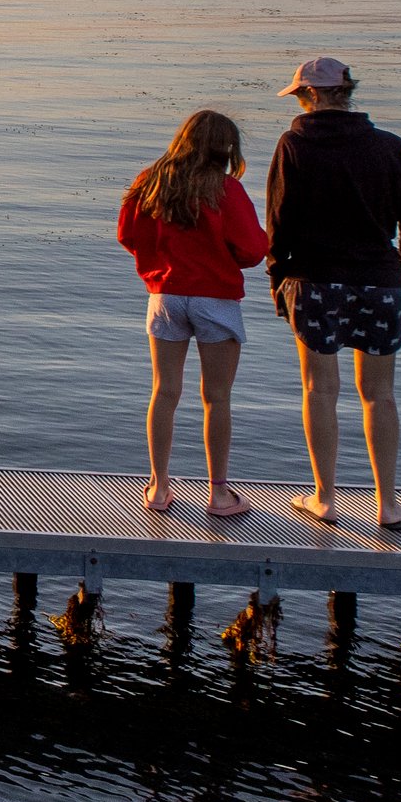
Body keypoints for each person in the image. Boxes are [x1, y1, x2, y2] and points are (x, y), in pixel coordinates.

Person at [263, 53, 401, 532]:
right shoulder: (392, 148)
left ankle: (325, 497)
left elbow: (280, 225)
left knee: (320, 390)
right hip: (382, 282)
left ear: (311, 95)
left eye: (298, 94)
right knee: (379, 394)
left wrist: (278, 279)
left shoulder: (294, 144)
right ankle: (389, 504)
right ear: (347, 92)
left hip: (315, 282)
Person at [117, 108, 267, 519]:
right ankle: (219, 495)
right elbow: (253, 250)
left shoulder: (151, 181)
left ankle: (158, 486)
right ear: (227, 147)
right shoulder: (226, 190)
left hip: (166, 296)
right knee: (216, 398)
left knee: (164, 392)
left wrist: (158, 262)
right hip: (215, 298)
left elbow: (128, 234)